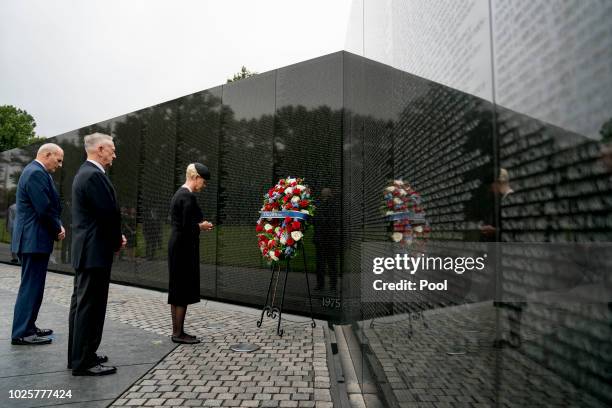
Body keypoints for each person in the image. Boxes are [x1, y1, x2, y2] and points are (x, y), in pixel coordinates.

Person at [68, 133, 126, 376]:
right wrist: (116, 240)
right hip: (95, 251)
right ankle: (84, 362)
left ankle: (80, 355)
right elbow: (107, 214)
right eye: (112, 150)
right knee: (90, 307)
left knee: (82, 306)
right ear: (100, 149)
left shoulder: (85, 173)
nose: (114, 155)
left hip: (87, 251)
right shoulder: (93, 175)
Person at [10, 143, 65, 345]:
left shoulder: (35, 172)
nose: (59, 165)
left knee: (35, 286)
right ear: (47, 154)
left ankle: (29, 326)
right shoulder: (35, 173)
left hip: (34, 240)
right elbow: (43, 208)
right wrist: (57, 228)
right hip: (32, 240)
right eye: (58, 160)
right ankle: (22, 332)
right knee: (31, 287)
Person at [168, 163, 213, 344]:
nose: (204, 184)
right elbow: (188, 227)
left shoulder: (180, 194)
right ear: (195, 177)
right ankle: (178, 334)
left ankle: (177, 331)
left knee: (177, 289)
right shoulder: (187, 197)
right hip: (183, 248)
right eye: (203, 180)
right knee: (182, 289)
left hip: (177, 246)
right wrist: (201, 226)